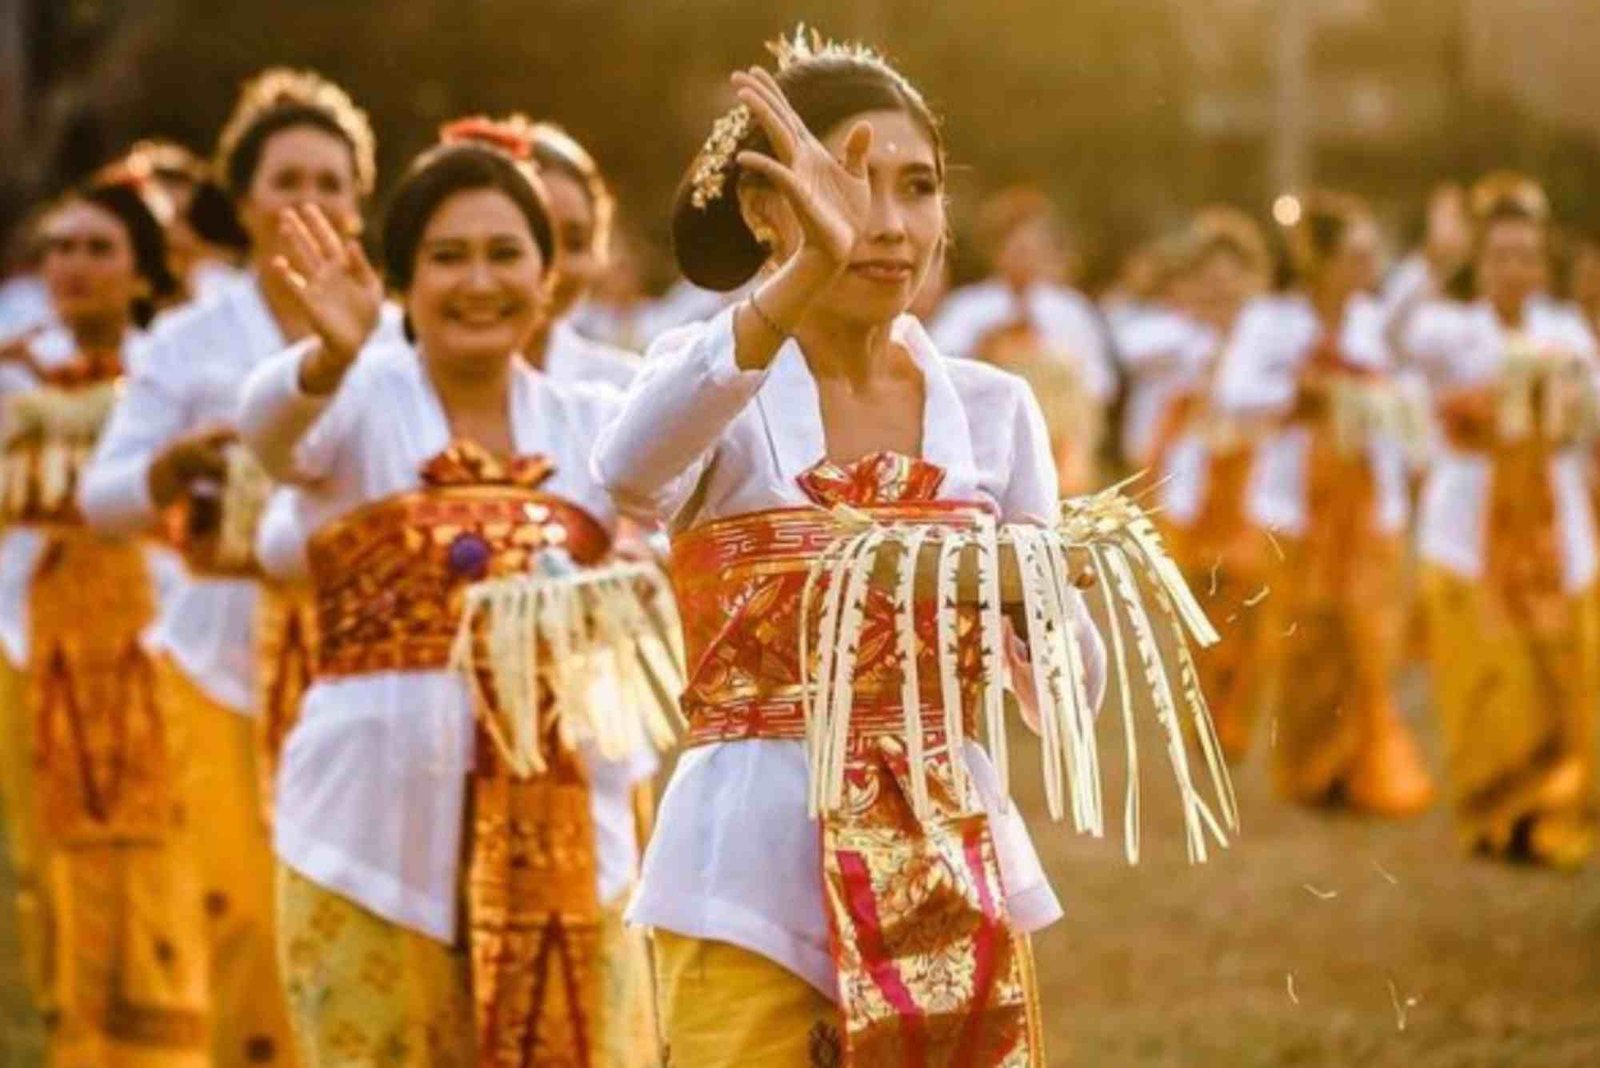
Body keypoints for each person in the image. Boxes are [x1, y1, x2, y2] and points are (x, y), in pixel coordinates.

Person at [594, 30, 1105, 1065]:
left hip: (944, 869)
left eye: (916, 187)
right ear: (762, 205)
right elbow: (626, 475)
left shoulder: (994, 410)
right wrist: (797, 282)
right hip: (741, 877)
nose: (885, 222)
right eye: (845, 183)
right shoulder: (712, 382)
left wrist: (1028, 591)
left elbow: (1070, 702)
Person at [237, 124, 637, 1064]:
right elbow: (267, 436)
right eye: (445, 257)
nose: (477, 281)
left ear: (547, 277)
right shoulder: (359, 399)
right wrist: (326, 357)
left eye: (506, 254)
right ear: (405, 281)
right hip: (365, 845)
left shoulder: (595, 425)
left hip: (570, 844)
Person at [79, 67, 383, 1066]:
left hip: (363, 662)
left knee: (359, 912)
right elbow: (102, 498)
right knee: (246, 922)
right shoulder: (189, 339)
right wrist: (167, 471)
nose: (313, 200)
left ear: (362, 198)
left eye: (333, 180)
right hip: (219, 666)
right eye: (287, 177)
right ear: (242, 200)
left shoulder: (393, 334)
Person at [0, 174, 205, 1063]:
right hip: (29, 642)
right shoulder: (13, 374)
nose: (74, 266)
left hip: (156, 642)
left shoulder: (176, 377)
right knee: (42, 855)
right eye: (60, 248)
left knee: (167, 843)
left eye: (98, 249)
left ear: (139, 270)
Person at [1215, 191, 1434, 817]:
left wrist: (1372, 396)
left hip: (1369, 502)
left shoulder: (1374, 320)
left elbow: (1407, 389)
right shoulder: (1271, 321)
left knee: (1368, 634)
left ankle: (1363, 767)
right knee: (1307, 635)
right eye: (1358, 253)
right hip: (1293, 502)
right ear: (1323, 262)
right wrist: (1301, 393)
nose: (1370, 265)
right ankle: (1311, 768)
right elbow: (1236, 393)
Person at [1402, 174, 1599, 868]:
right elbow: (1401, 336)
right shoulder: (1446, 328)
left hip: (1552, 520)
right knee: (1484, 674)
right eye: (1500, 256)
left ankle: (1554, 812)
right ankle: (1495, 811)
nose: (1515, 269)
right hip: (1467, 524)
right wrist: (1433, 258)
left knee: (1559, 669)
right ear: (1479, 264)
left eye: (1527, 256)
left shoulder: (1568, 331)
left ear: (1544, 264)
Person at [1125, 208, 1274, 761]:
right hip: (1193, 494)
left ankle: (1234, 718)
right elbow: (1133, 351)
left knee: (1251, 610)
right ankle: (1207, 719)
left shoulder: (1266, 340)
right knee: (1201, 612)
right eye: (1209, 278)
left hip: (1252, 489)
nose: (1222, 287)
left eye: (1233, 276)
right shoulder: (1173, 341)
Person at [929, 185, 1117, 494]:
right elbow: (939, 370)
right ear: (996, 250)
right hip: (984, 442)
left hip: (1061, 444)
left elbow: (1101, 381)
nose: (1025, 255)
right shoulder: (967, 308)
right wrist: (986, 349)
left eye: (1034, 246)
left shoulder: (1072, 310)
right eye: (1015, 246)